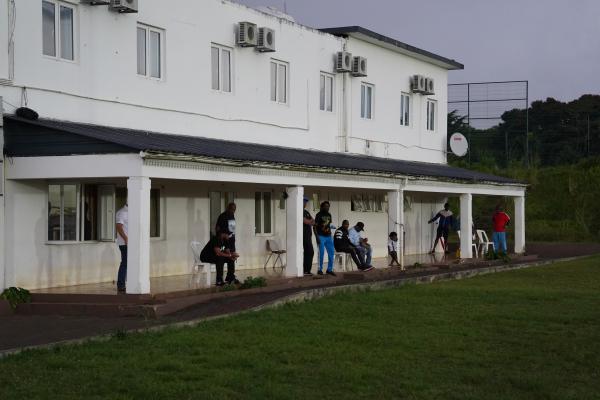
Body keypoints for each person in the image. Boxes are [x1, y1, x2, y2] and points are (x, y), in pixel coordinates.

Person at [314, 201, 336, 276]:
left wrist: (330, 232)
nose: (327, 207)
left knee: (331, 253)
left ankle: (329, 269)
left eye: (328, 206)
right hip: (321, 236)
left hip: (329, 236)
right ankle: (320, 269)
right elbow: (315, 226)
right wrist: (317, 237)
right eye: (326, 206)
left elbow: (328, 225)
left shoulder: (329, 215)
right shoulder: (318, 215)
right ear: (322, 207)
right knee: (321, 253)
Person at [115, 203, 128, 293]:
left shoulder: (131, 212)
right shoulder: (122, 212)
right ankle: (121, 285)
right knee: (125, 263)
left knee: (129, 264)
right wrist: (126, 238)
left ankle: (125, 283)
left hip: (131, 244)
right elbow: (119, 227)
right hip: (125, 243)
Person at [302, 197, 315, 276]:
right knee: (309, 251)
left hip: (308, 235)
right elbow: (306, 221)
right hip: (303, 236)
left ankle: (307, 270)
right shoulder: (299, 211)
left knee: (310, 252)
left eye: (306, 202)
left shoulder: (306, 212)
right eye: (304, 202)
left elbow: (313, 222)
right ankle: (305, 270)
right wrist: (309, 221)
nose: (305, 203)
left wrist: (309, 221)